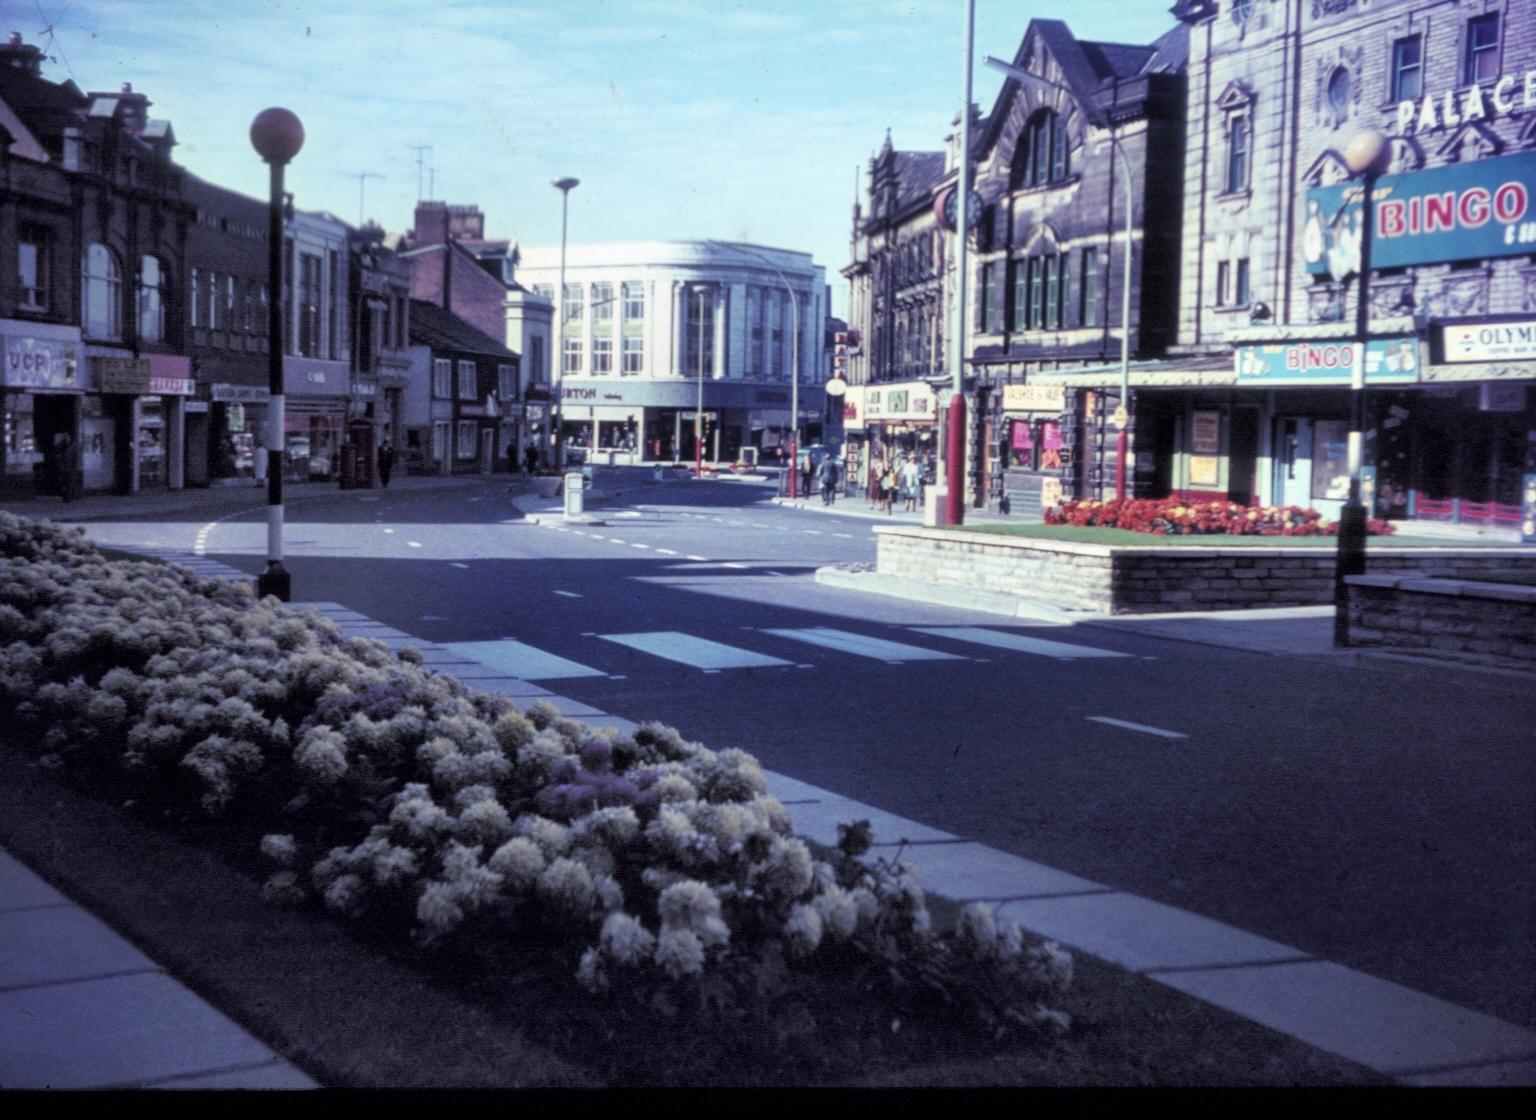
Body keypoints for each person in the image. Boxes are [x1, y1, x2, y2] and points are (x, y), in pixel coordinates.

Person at [50, 431, 75, 502]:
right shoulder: (60, 446)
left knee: (69, 483)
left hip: (69, 468)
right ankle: (65, 495)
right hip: (62, 468)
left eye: (67, 436)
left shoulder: (72, 446)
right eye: (65, 436)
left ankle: (68, 497)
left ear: (70, 437)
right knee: (62, 483)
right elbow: (57, 456)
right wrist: (60, 466)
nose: (66, 438)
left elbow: (74, 458)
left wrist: (73, 468)